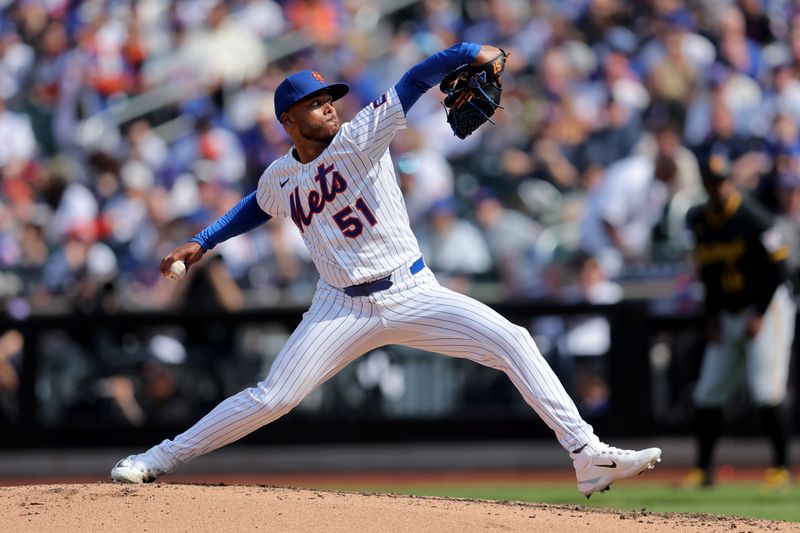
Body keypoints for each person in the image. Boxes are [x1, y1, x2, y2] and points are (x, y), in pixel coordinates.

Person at [110, 42, 661, 497]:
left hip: (411, 290)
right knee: (272, 398)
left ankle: (587, 455)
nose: (329, 106)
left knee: (513, 339)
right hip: (339, 306)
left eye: (330, 98)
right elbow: (257, 203)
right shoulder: (280, 175)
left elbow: (420, 75)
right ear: (288, 120)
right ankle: (158, 457)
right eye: (315, 102)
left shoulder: (360, 136)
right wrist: (201, 242)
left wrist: (471, 52)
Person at [682, 151, 796, 490]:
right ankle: (703, 471)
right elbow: (707, 274)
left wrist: (760, 313)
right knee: (708, 392)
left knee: (766, 389)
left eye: (722, 181)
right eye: (712, 182)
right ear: (704, 184)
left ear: (730, 182)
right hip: (728, 312)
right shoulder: (699, 219)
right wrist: (711, 315)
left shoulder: (753, 217)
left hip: (767, 307)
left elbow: (781, 266)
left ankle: (780, 469)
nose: (718, 188)